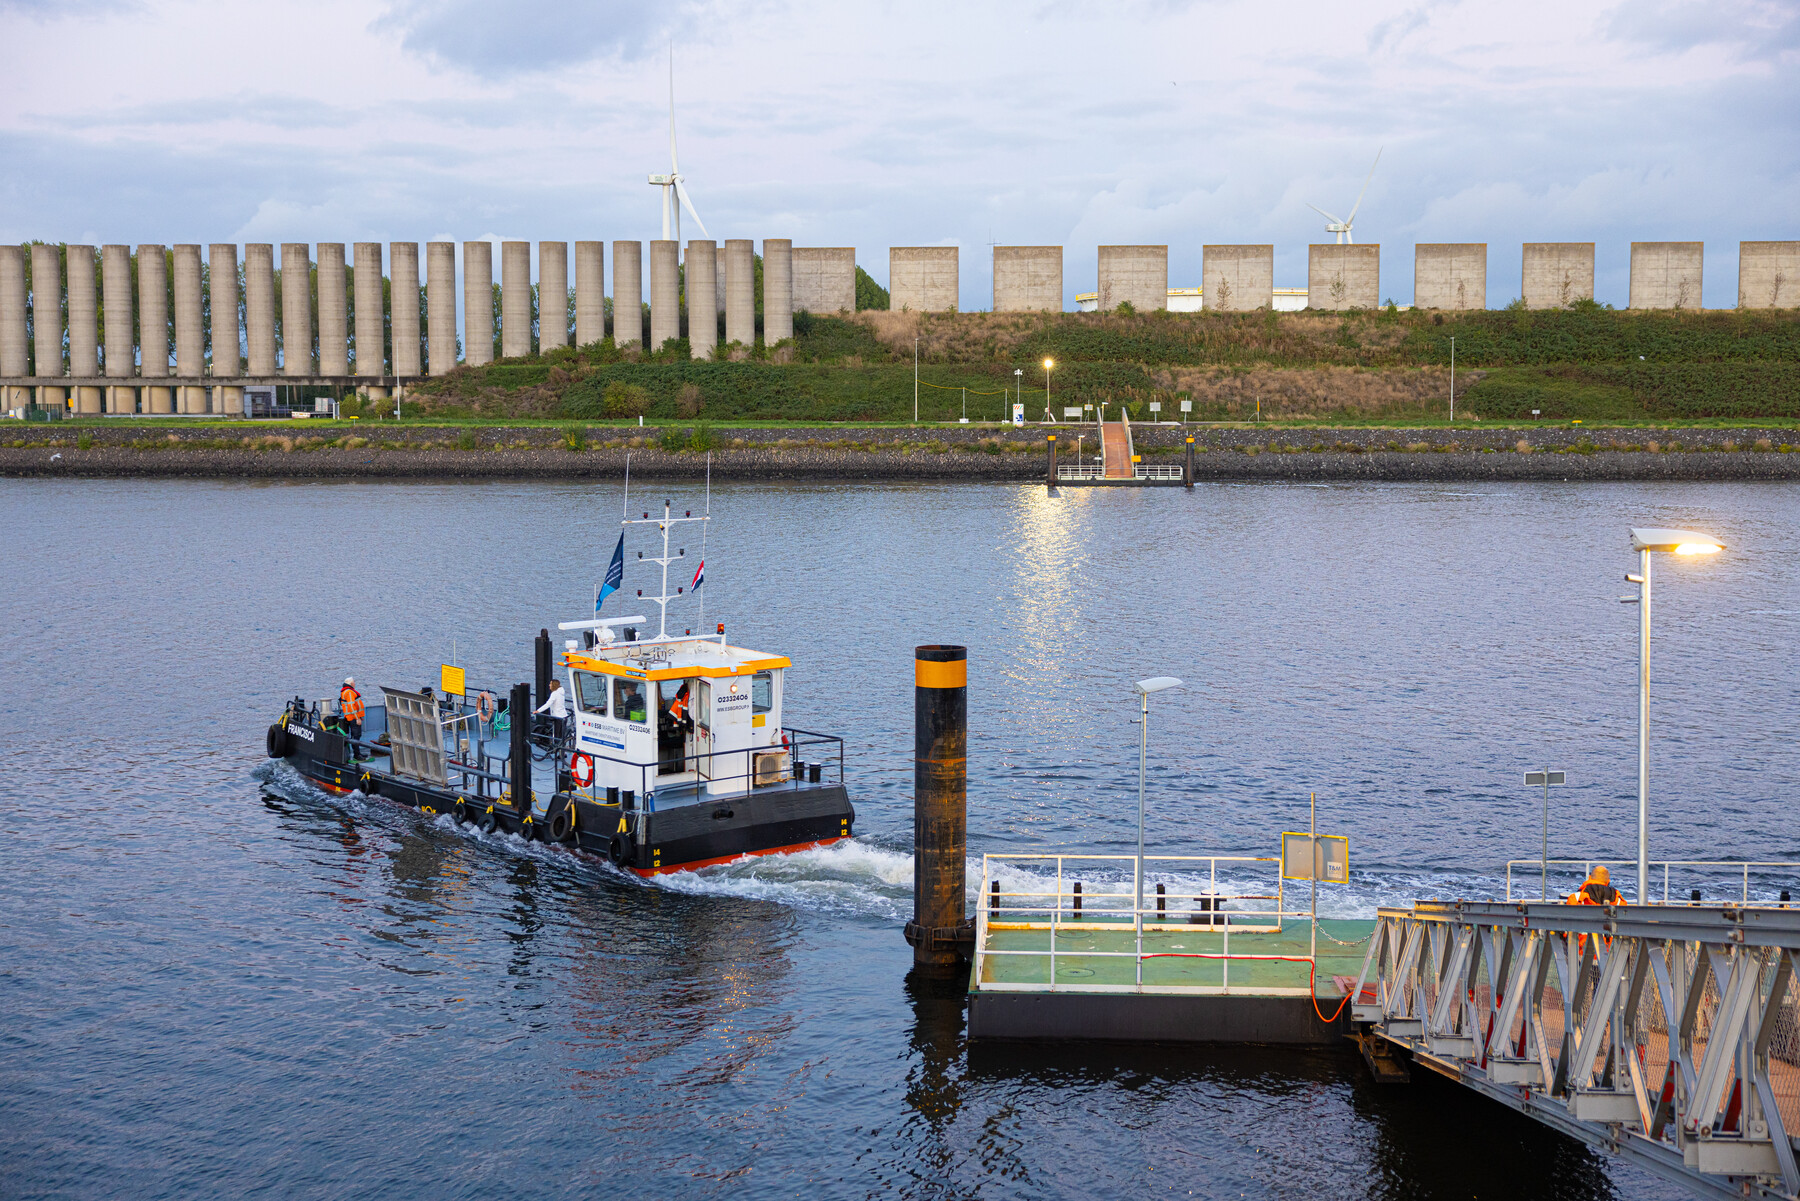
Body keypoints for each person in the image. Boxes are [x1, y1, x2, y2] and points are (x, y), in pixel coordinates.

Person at [534, 678, 568, 742]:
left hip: (558, 717)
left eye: (550, 684)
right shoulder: (561, 692)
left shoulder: (554, 694)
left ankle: (556, 749)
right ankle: (561, 749)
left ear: (553, 685)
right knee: (561, 735)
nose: (549, 685)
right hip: (564, 716)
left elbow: (548, 704)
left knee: (556, 735)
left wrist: (538, 711)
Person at [339, 677, 364, 743]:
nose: (354, 684)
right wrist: (357, 718)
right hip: (353, 717)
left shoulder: (346, 691)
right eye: (354, 682)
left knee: (355, 735)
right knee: (356, 735)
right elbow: (351, 706)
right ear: (351, 683)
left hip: (351, 716)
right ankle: (357, 753)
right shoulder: (349, 692)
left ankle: (357, 752)